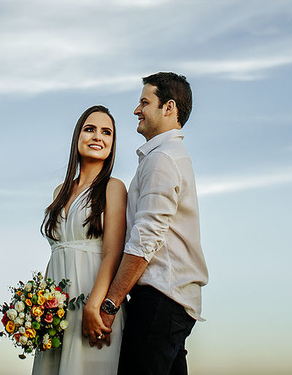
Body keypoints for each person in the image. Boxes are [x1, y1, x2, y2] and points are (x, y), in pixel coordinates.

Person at [97, 72, 208, 375]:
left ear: (169, 108)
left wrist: (110, 305)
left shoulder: (163, 159)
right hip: (171, 302)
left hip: (160, 300)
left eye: (145, 102)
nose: (137, 110)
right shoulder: (166, 156)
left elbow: (145, 238)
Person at [33, 106, 128, 375]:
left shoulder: (113, 187)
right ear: (77, 137)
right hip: (57, 311)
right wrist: (39, 306)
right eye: (90, 129)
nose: (98, 137)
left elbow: (113, 252)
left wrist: (94, 306)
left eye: (106, 132)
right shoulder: (59, 192)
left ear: (112, 144)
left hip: (92, 304)